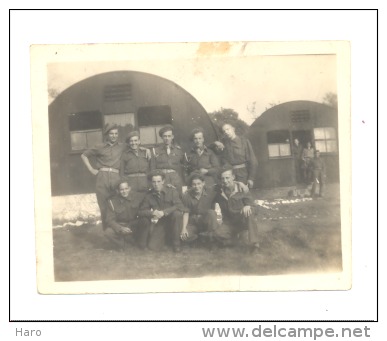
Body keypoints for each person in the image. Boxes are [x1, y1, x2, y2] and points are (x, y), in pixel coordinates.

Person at [81, 123, 124, 229]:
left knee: (116, 204)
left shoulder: (122, 146)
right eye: (111, 134)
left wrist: (145, 149)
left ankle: (117, 231)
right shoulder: (99, 147)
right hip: (102, 177)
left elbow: (134, 145)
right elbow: (84, 155)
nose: (114, 136)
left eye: (116, 133)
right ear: (107, 135)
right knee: (104, 206)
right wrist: (91, 169)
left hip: (115, 177)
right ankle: (106, 232)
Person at [213, 166, 260, 253]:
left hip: (242, 221)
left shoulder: (242, 189)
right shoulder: (219, 191)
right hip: (229, 223)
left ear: (233, 177)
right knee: (217, 234)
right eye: (223, 178)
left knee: (249, 212)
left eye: (227, 178)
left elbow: (255, 208)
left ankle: (255, 245)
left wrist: (248, 206)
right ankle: (236, 239)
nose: (225, 181)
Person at [137, 170, 185, 252]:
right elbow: (141, 211)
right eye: (154, 182)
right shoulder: (149, 195)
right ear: (151, 183)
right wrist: (152, 213)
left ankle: (176, 245)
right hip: (160, 223)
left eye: (159, 181)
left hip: (173, 222)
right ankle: (166, 240)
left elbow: (179, 206)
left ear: (163, 181)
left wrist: (164, 212)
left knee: (177, 214)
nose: (156, 184)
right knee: (152, 247)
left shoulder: (172, 191)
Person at [213, 122, 258, 189]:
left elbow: (253, 161)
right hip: (228, 175)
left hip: (242, 174)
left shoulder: (244, 141)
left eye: (228, 129)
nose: (226, 132)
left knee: (243, 194)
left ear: (233, 129)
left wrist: (251, 178)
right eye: (224, 131)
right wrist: (215, 143)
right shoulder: (222, 142)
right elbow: (209, 149)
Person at [180, 173, 218, 247]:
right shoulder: (186, 195)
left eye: (199, 184)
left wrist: (240, 184)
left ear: (203, 183)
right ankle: (199, 237)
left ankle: (212, 240)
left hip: (205, 222)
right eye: (194, 184)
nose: (197, 186)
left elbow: (223, 184)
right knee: (183, 237)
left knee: (212, 212)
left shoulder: (210, 192)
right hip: (193, 223)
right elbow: (186, 213)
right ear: (191, 185)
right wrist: (184, 228)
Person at [104, 179, 142, 250]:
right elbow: (109, 219)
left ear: (129, 188)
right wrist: (120, 228)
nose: (124, 191)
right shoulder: (112, 202)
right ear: (118, 191)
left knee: (144, 223)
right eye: (121, 190)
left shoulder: (136, 198)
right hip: (121, 226)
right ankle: (122, 245)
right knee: (108, 232)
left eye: (126, 189)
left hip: (133, 225)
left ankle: (132, 241)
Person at [151, 124, 185, 193]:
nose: (167, 138)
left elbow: (183, 168)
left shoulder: (178, 150)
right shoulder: (156, 151)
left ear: (172, 137)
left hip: (175, 179)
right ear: (162, 137)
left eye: (169, 136)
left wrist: (183, 183)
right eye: (165, 136)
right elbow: (153, 168)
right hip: (162, 179)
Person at [120, 131, 151, 195]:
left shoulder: (145, 152)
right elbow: (122, 172)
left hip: (144, 183)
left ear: (139, 141)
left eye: (135, 140)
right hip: (131, 183)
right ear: (128, 143)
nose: (133, 143)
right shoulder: (125, 154)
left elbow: (151, 168)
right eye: (131, 141)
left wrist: (150, 183)